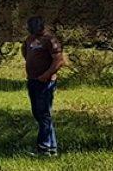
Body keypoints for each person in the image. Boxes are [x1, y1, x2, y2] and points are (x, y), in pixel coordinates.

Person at [22, 16, 64, 157]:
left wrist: (46, 75)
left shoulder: (50, 40)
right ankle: (51, 147)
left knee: (44, 113)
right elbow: (26, 54)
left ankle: (44, 147)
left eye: (36, 25)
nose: (34, 28)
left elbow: (59, 61)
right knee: (38, 113)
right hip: (32, 81)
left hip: (45, 82)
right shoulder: (29, 40)